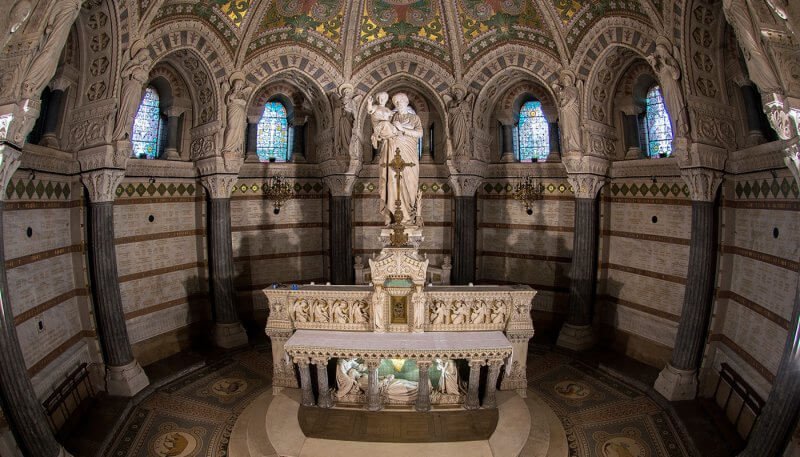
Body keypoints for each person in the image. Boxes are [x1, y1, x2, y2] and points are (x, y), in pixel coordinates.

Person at [378, 92, 423, 226]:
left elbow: (420, 133)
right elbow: (383, 130)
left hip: (409, 155)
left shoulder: (414, 118)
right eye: (396, 102)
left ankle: (408, 217)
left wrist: (401, 128)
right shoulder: (391, 118)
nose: (398, 104)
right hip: (393, 153)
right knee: (392, 182)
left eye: (401, 101)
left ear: (407, 102)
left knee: (410, 183)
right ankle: (392, 217)